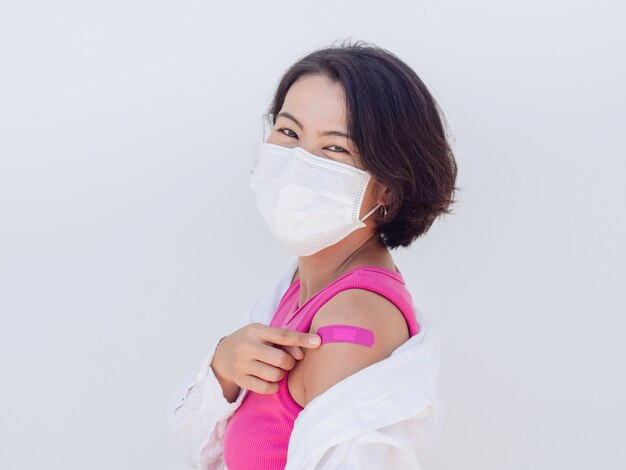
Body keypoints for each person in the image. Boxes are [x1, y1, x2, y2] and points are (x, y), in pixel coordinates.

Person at [167, 39, 458, 469]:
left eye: (335, 148)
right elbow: (200, 444)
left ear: (390, 192)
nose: (297, 163)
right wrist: (224, 365)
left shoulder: (353, 320)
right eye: (288, 132)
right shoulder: (296, 289)